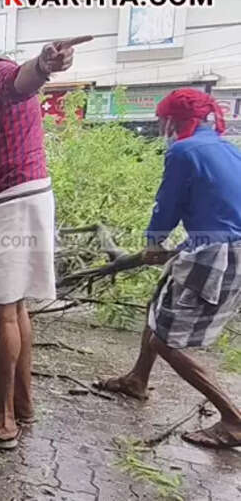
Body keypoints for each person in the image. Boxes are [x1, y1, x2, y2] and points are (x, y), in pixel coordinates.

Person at [0, 14, 90, 449]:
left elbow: (23, 80)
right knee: (15, 308)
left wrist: (45, 63)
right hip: (22, 195)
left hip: (11, 200)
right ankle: (22, 405)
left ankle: (1, 422)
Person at [95, 89, 241, 449]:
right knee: (157, 305)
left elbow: (167, 204)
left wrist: (153, 243)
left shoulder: (183, 150)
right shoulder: (229, 149)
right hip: (224, 246)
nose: (162, 127)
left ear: (173, 120)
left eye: (163, 120)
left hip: (216, 253)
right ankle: (137, 379)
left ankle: (234, 419)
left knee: (166, 340)